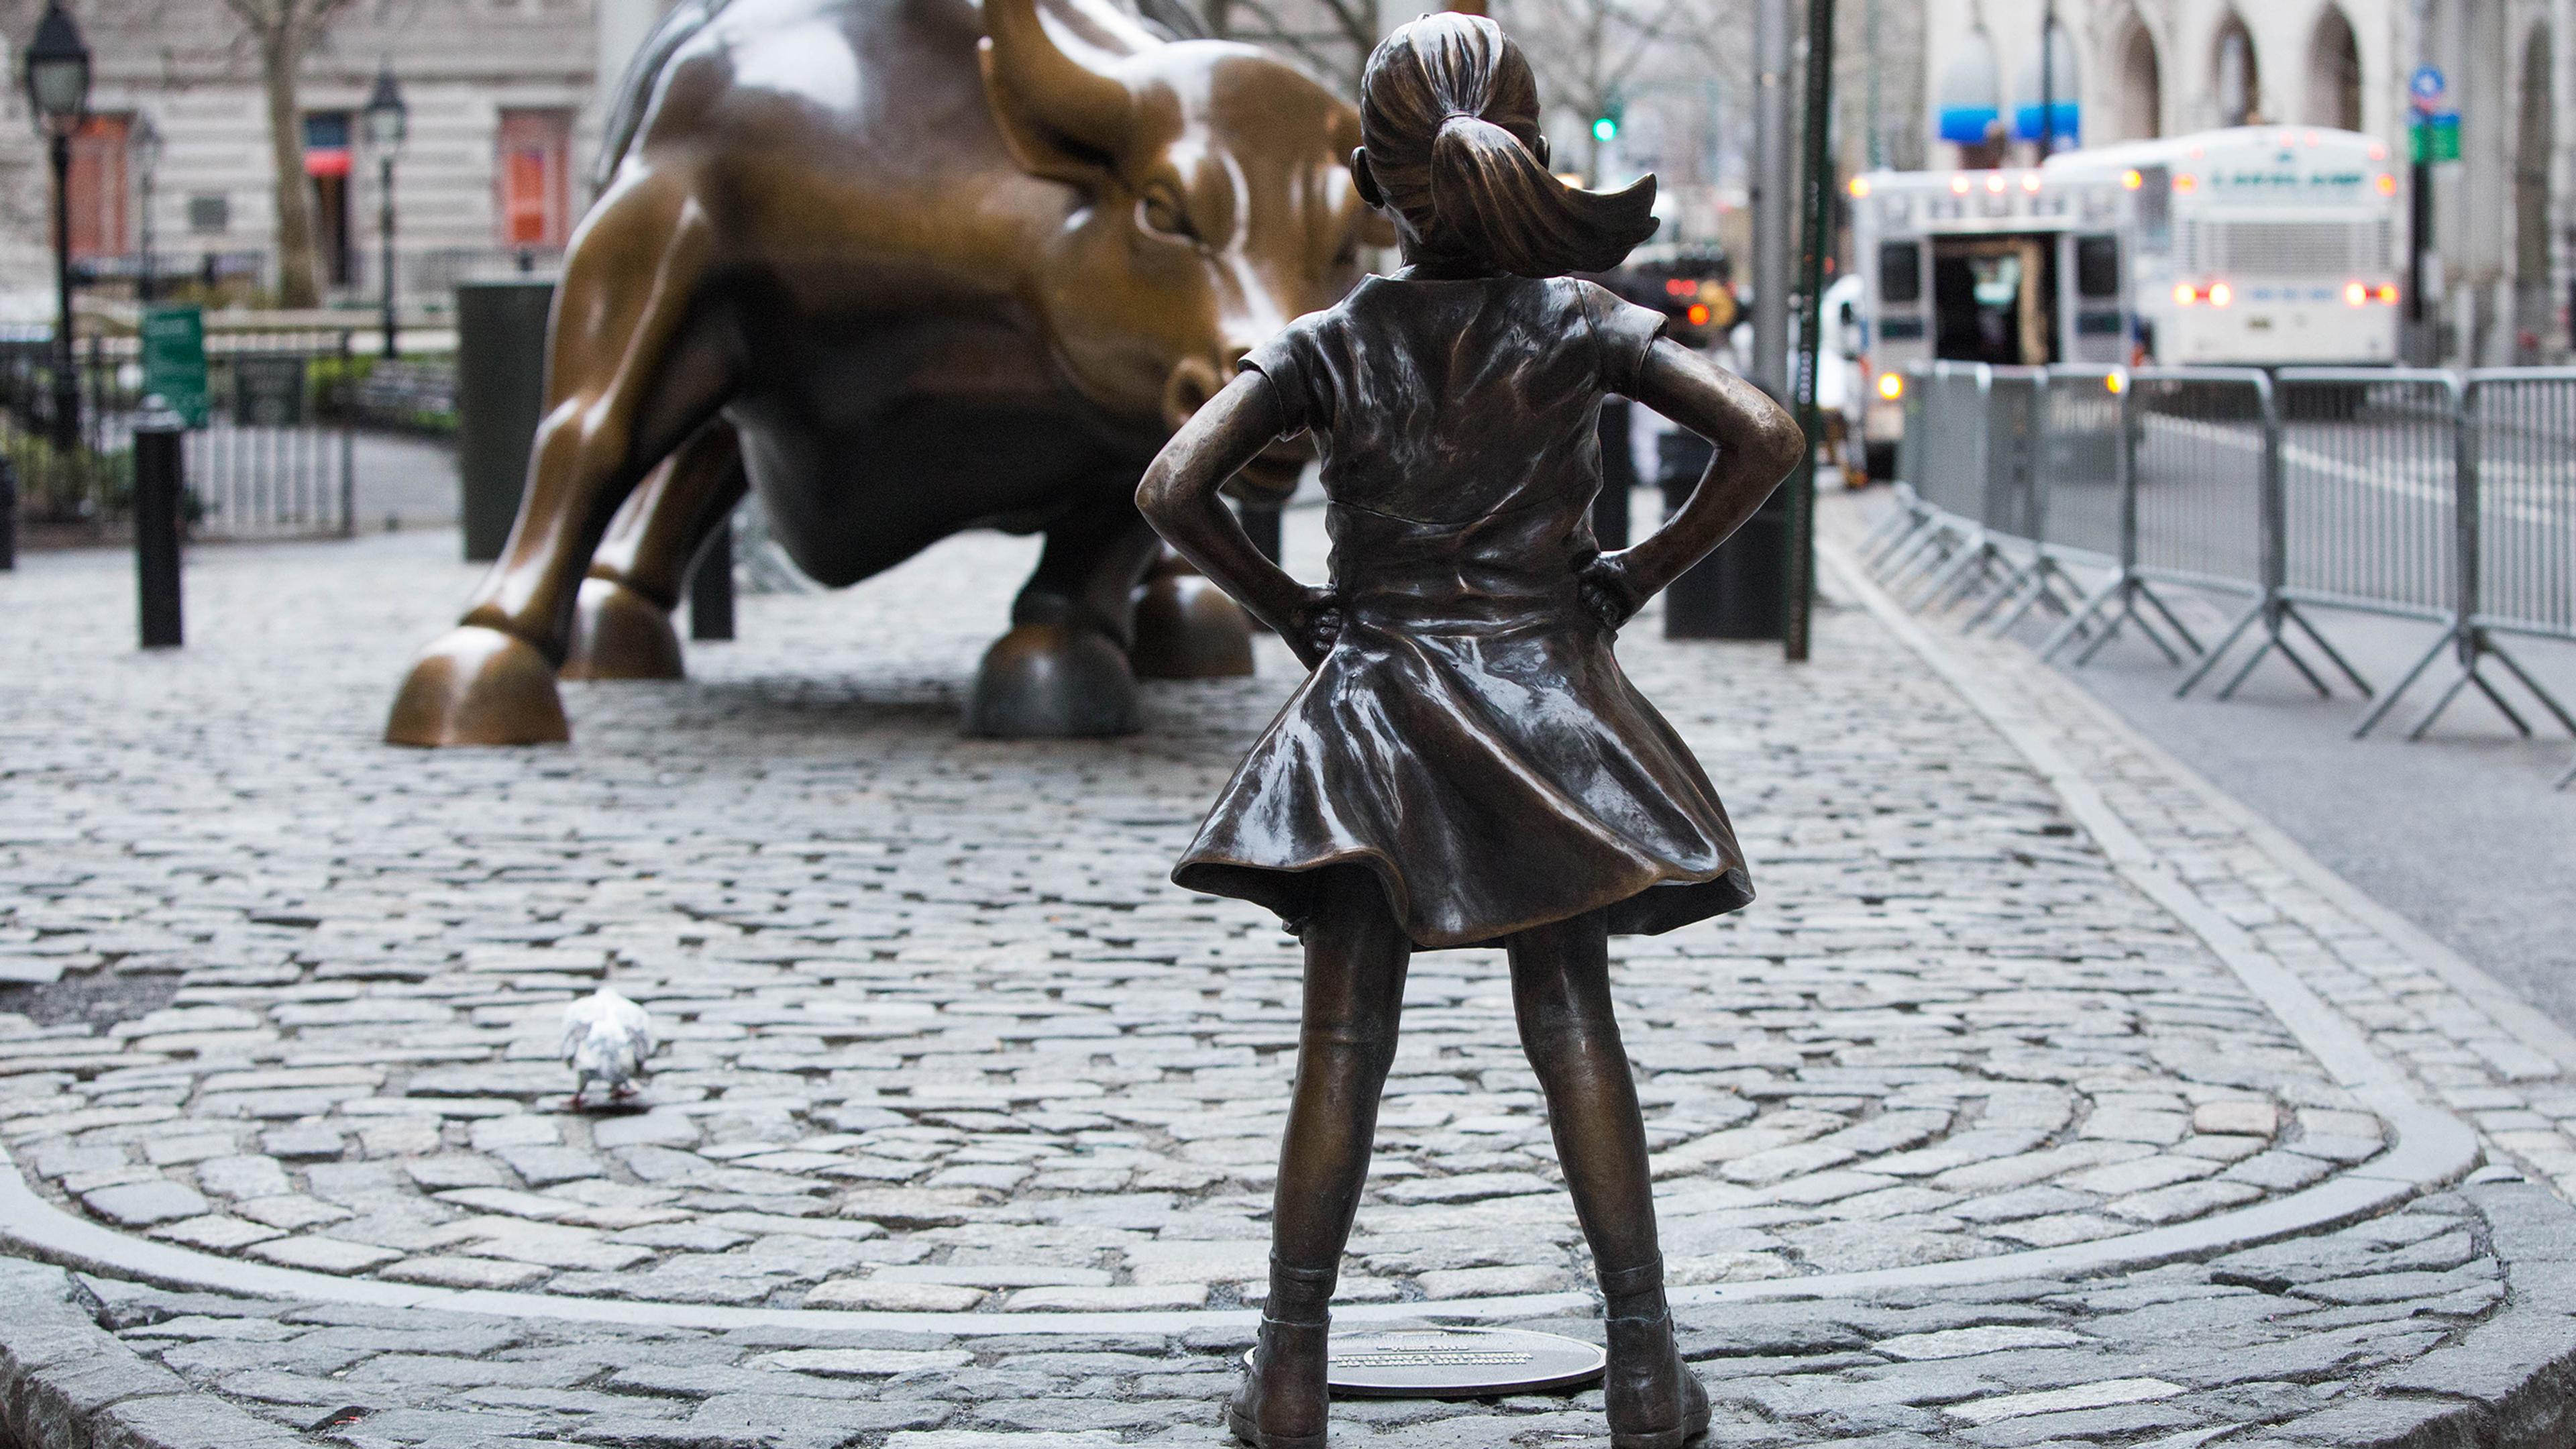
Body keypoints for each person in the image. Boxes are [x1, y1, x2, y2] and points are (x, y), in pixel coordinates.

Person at [1135, 14, 1803, 1448]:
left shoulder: (1333, 340)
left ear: (1377, 185)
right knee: (1570, 1020)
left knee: (1342, 1038)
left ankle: (1292, 1375)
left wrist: (1298, 613)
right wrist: (1631, 577)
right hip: (1546, 716)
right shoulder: (1577, 324)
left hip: (1371, 711)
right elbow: (1764, 434)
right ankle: (1641, 1374)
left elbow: (1174, 490)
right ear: (1532, 156)